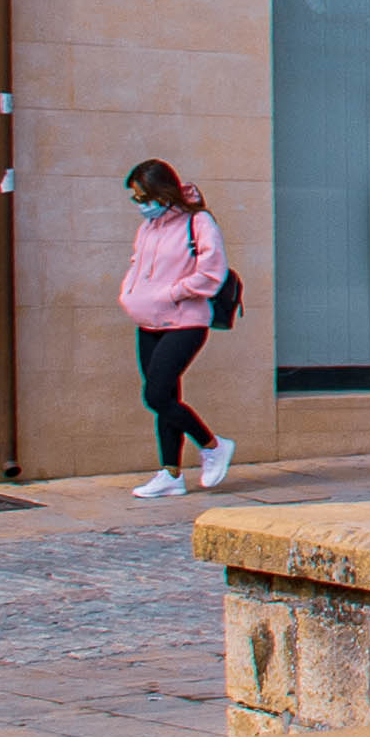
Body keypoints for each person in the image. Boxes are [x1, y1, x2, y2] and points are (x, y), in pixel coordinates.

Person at [116, 159, 237, 495]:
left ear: (162, 191)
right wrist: (130, 295)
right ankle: (170, 474)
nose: (141, 205)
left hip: (185, 321)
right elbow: (137, 266)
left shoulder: (198, 222)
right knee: (166, 398)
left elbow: (212, 273)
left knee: (155, 394)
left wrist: (172, 294)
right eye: (136, 198)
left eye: (144, 197)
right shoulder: (149, 227)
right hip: (148, 322)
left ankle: (213, 445)